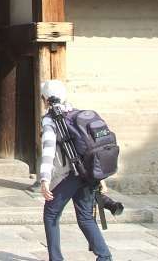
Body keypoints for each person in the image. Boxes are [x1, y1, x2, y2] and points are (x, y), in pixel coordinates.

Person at [40, 80, 112, 261]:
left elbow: (48, 150)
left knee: (51, 214)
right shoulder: (77, 115)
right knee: (86, 217)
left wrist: (44, 179)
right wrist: (100, 177)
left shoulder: (50, 120)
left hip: (69, 175)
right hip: (88, 173)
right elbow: (93, 148)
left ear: (45, 99)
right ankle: (105, 257)